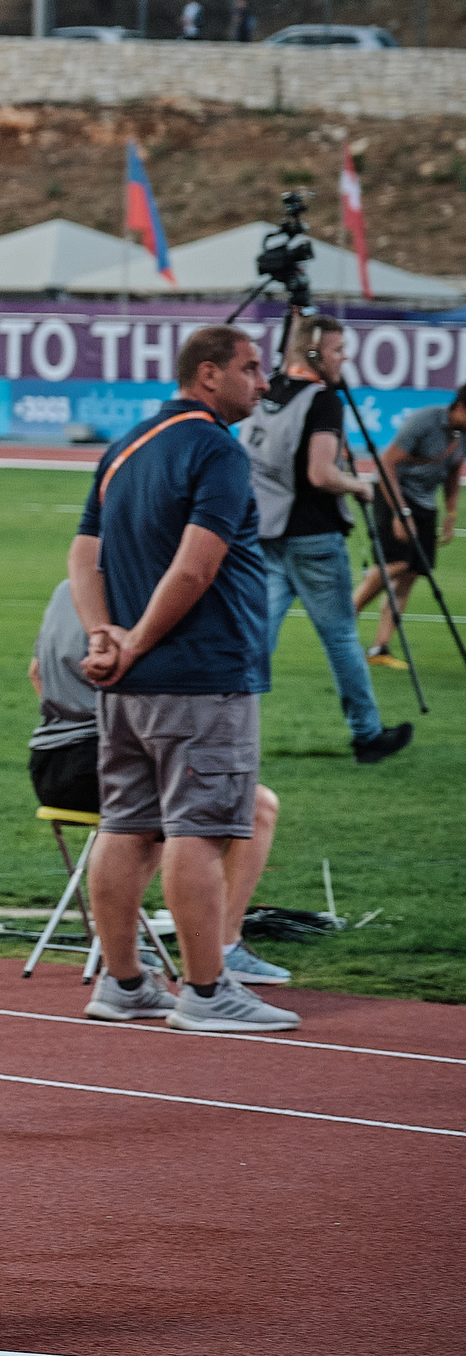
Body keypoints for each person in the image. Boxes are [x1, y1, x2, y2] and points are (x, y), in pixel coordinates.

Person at [69, 325, 302, 1034]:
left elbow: (83, 555)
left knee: (126, 825)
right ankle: (205, 990)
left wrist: (102, 635)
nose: (264, 382)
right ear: (208, 374)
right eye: (252, 368)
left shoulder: (125, 445)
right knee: (199, 829)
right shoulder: (217, 449)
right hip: (201, 675)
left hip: (128, 686)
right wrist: (132, 640)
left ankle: (124, 980)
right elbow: (197, 567)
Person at [28, 579, 289, 991]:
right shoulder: (132, 592)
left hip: (49, 760)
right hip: (100, 756)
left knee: (144, 819)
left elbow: (36, 672)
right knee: (254, 806)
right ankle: (222, 947)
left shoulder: (70, 588)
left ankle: (124, 958)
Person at [241, 314, 409, 762]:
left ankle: (229, 731)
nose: (344, 358)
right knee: (340, 638)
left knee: (256, 639)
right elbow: (321, 474)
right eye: (337, 350)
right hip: (313, 537)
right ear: (314, 352)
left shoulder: (270, 387)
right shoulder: (323, 401)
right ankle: (368, 734)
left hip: (267, 530)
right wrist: (360, 486)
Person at [355, 384, 466, 667]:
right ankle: (347, 613)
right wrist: (400, 512)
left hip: (426, 502)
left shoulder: (461, 434)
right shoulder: (424, 420)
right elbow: (387, 463)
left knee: (412, 573)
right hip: (393, 493)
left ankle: (380, 648)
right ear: (461, 408)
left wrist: (450, 513)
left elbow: (454, 470)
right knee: (395, 564)